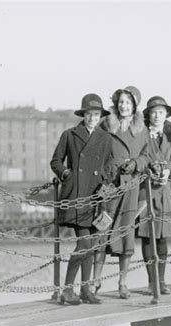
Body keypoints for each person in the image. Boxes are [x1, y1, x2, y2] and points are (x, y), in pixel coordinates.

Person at [50, 93, 112, 305]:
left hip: (96, 196)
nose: (93, 118)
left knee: (91, 243)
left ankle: (85, 290)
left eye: (96, 115)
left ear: (100, 116)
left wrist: (106, 181)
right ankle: (68, 290)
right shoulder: (70, 135)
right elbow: (56, 161)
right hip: (77, 195)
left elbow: (110, 166)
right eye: (89, 114)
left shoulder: (105, 138)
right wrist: (67, 174)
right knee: (85, 243)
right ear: (83, 114)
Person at [93, 86, 150, 299]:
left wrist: (136, 163)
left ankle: (122, 283)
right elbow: (96, 153)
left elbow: (148, 156)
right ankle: (94, 281)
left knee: (126, 236)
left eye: (128, 102)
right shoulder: (106, 125)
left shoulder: (142, 130)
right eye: (121, 102)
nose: (123, 106)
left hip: (130, 187)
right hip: (109, 186)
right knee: (102, 231)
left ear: (135, 106)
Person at [137, 96, 171, 295]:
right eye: (153, 112)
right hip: (145, 191)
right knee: (148, 237)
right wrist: (147, 172)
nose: (157, 116)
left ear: (166, 115)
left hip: (166, 193)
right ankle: (152, 282)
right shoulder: (140, 134)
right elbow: (134, 160)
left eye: (161, 112)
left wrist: (169, 171)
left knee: (163, 237)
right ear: (148, 115)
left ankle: (162, 280)